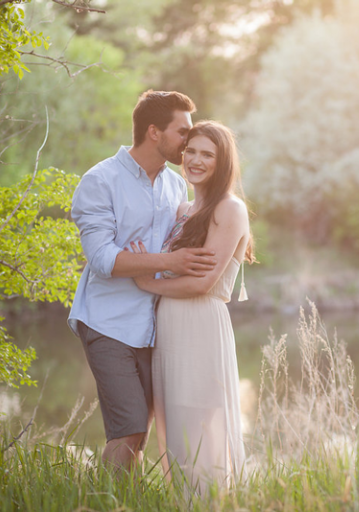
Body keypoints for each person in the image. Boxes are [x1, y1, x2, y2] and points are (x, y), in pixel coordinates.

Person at [67, 90, 217, 471]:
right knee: (129, 429)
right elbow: (102, 259)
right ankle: (100, 501)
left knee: (142, 435)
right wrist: (165, 260)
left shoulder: (175, 186)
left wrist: (145, 262)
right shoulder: (100, 180)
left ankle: (120, 501)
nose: (189, 140)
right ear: (154, 132)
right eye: (182, 132)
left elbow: (163, 255)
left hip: (154, 323)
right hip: (107, 320)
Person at [131, 120, 254, 494]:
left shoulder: (229, 209)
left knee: (202, 427)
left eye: (208, 154)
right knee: (177, 432)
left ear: (223, 162)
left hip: (200, 325)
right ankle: (184, 501)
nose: (196, 161)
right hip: (169, 327)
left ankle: (212, 501)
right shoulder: (183, 208)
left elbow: (204, 282)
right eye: (192, 152)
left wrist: (143, 279)